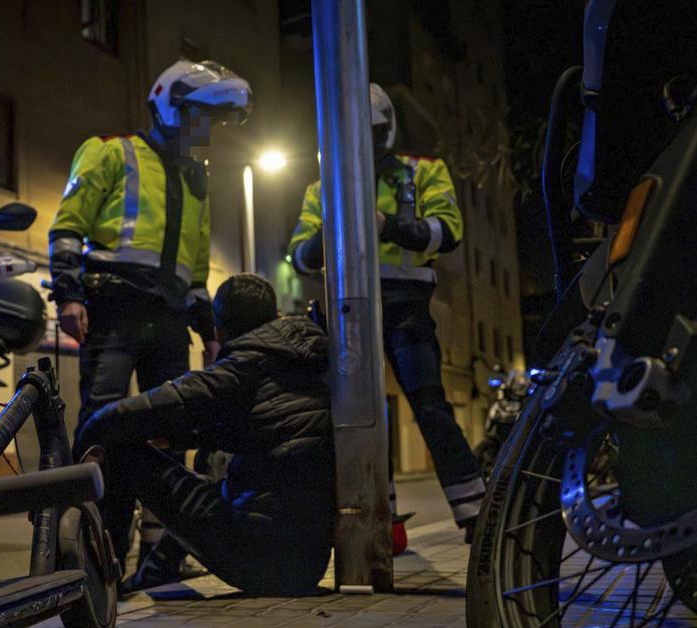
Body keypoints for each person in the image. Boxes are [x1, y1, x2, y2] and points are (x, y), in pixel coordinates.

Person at [49, 58, 253, 574]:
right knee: (102, 424)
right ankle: (93, 547)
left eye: (212, 122)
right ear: (170, 106)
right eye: (201, 118)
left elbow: (196, 270)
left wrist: (208, 332)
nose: (205, 131)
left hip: (168, 317)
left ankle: (160, 553)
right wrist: (69, 295)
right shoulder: (110, 152)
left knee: (171, 428)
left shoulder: (196, 179)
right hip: (113, 305)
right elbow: (68, 227)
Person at [288, 83, 485, 536]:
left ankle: (477, 514)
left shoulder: (422, 172)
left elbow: (448, 231)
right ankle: (381, 519)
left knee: (429, 406)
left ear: (385, 130)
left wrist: (387, 225)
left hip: (406, 306)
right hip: (347, 312)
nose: (361, 143)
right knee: (362, 415)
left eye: (370, 132)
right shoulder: (323, 188)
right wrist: (330, 229)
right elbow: (299, 257)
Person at [76, 273, 334, 596]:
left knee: (121, 449)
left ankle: (102, 582)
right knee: (207, 482)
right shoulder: (307, 361)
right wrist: (180, 438)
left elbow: (123, 416)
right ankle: (154, 575)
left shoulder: (238, 368)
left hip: (261, 558)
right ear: (275, 316)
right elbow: (259, 428)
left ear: (219, 329)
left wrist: (80, 451)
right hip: (306, 563)